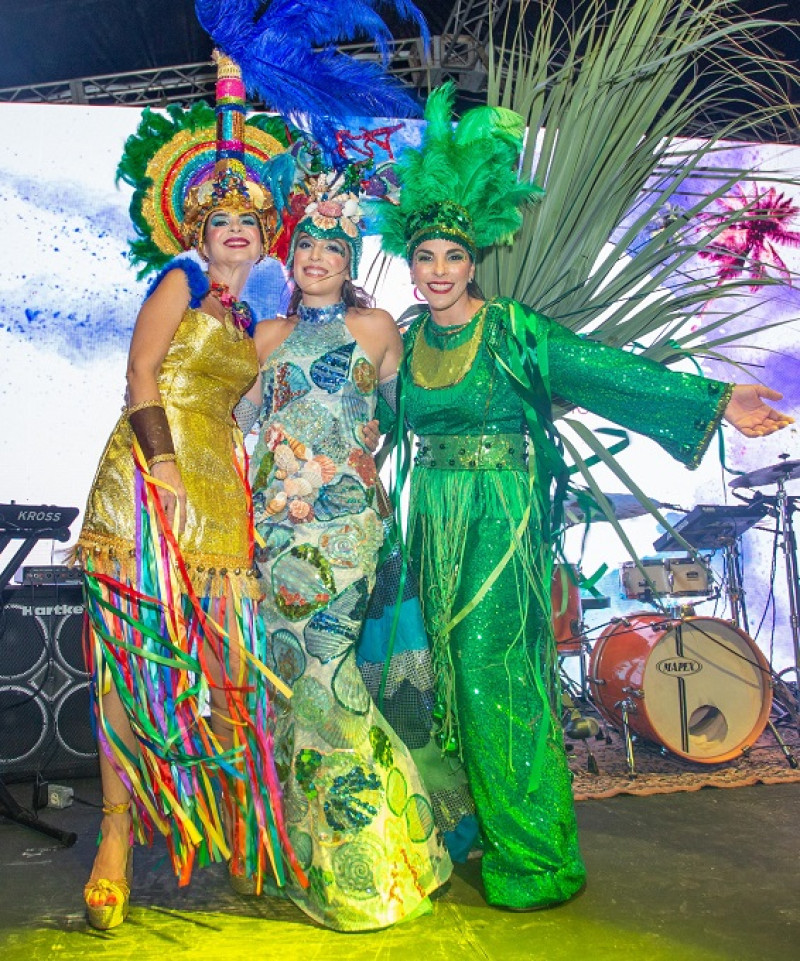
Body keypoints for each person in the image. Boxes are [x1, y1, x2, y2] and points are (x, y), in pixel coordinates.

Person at [375, 83, 794, 912]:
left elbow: (606, 373)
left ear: (474, 260)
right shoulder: (408, 335)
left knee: (499, 674)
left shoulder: (513, 330)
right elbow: (374, 416)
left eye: (451, 258)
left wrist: (715, 402)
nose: (437, 272)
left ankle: (535, 860)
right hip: (433, 517)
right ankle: (479, 834)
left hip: (501, 514)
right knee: (451, 679)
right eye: (424, 258)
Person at [74, 56, 304, 930]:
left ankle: (240, 819)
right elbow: (139, 371)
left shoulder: (254, 321)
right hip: (147, 486)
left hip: (220, 495)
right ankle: (116, 839)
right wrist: (162, 465)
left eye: (249, 217)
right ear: (197, 231)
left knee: (227, 674)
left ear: (265, 234)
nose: (235, 227)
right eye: (220, 217)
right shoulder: (175, 281)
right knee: (134, 674)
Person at [241, 163, 452, 931]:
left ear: (350, 259)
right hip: (276, 535)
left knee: (330, 684)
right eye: (306, 246)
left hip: (348, 533)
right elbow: (233, 426)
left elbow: (416, 410)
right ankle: (318, 850)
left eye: (333, 245)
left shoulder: (376, 330)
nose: (318, 257)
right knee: (294, 688)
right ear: (289, 259)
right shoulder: (264, 337)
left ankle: (370, 862)